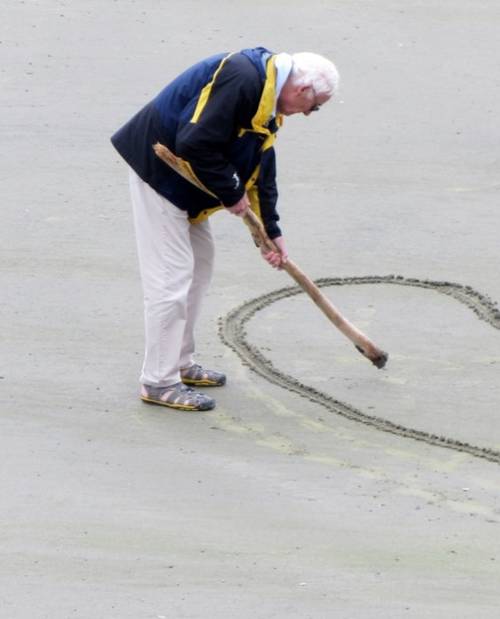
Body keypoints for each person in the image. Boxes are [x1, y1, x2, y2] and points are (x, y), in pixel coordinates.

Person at [111, 47, 338, 411]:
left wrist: (270, 232)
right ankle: (158, 380)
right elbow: (193, 141)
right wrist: (232, 194)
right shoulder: (243, 78)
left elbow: (260, 165)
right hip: (159, 173)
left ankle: (179, 363)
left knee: (200, 266)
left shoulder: (268, 101)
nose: (309, 114)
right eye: (315, 106)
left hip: (187, 185)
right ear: (303, 90)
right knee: (171, 278)